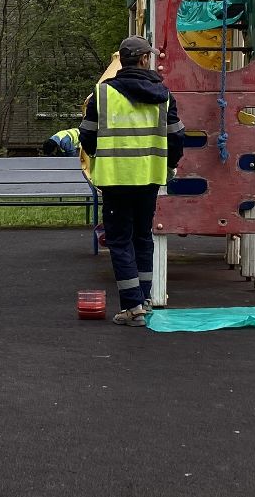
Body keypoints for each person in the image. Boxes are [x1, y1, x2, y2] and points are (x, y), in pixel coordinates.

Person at [79, 36, 184, 326]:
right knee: (142, 237)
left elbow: (86, 137)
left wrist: (103, 157)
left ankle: (132, 306)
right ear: (143, 59)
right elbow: (177, 138)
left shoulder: (102, 95)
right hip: (149, 177)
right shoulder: (163, 95)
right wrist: (171, 166)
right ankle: (144, 299)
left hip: (114, 180)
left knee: (120, 240)